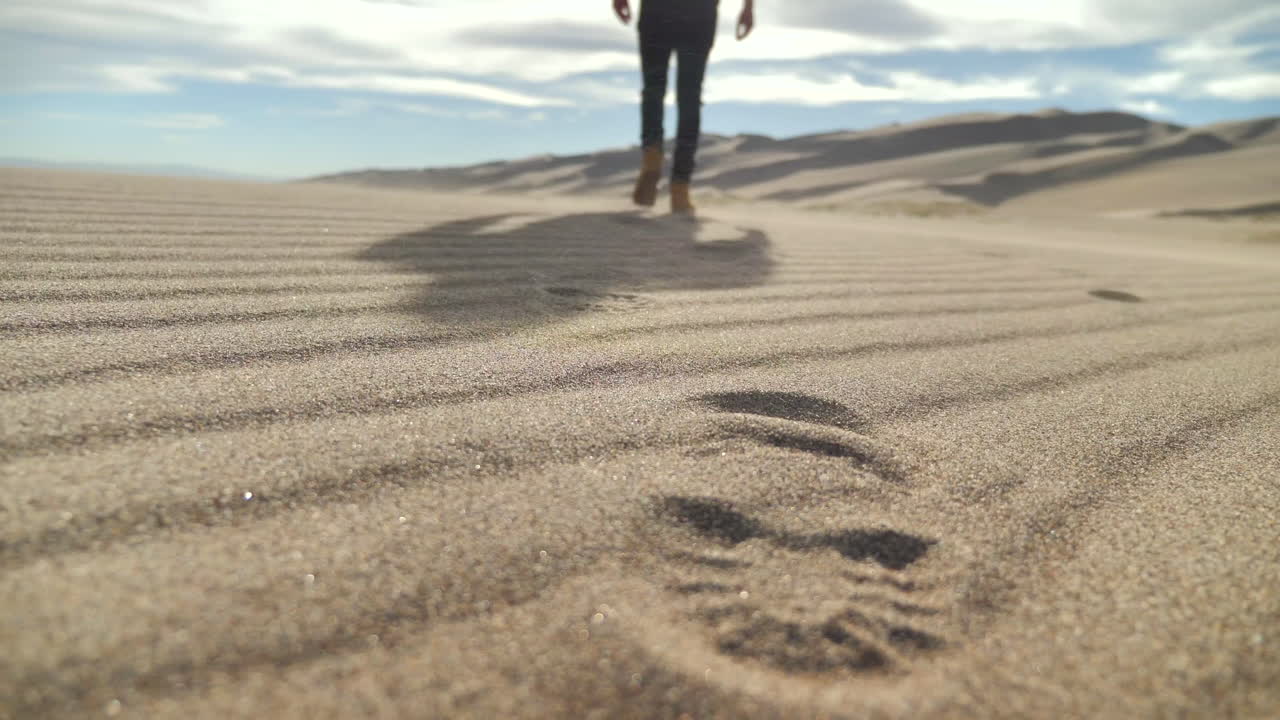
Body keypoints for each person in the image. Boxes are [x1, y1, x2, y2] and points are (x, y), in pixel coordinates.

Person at [613, 0, 754, 215]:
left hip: (657, 10)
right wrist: (748, 8)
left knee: (653, 88)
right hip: (700, 13)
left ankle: (652, 153)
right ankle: (680, 188)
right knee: (689, 97)